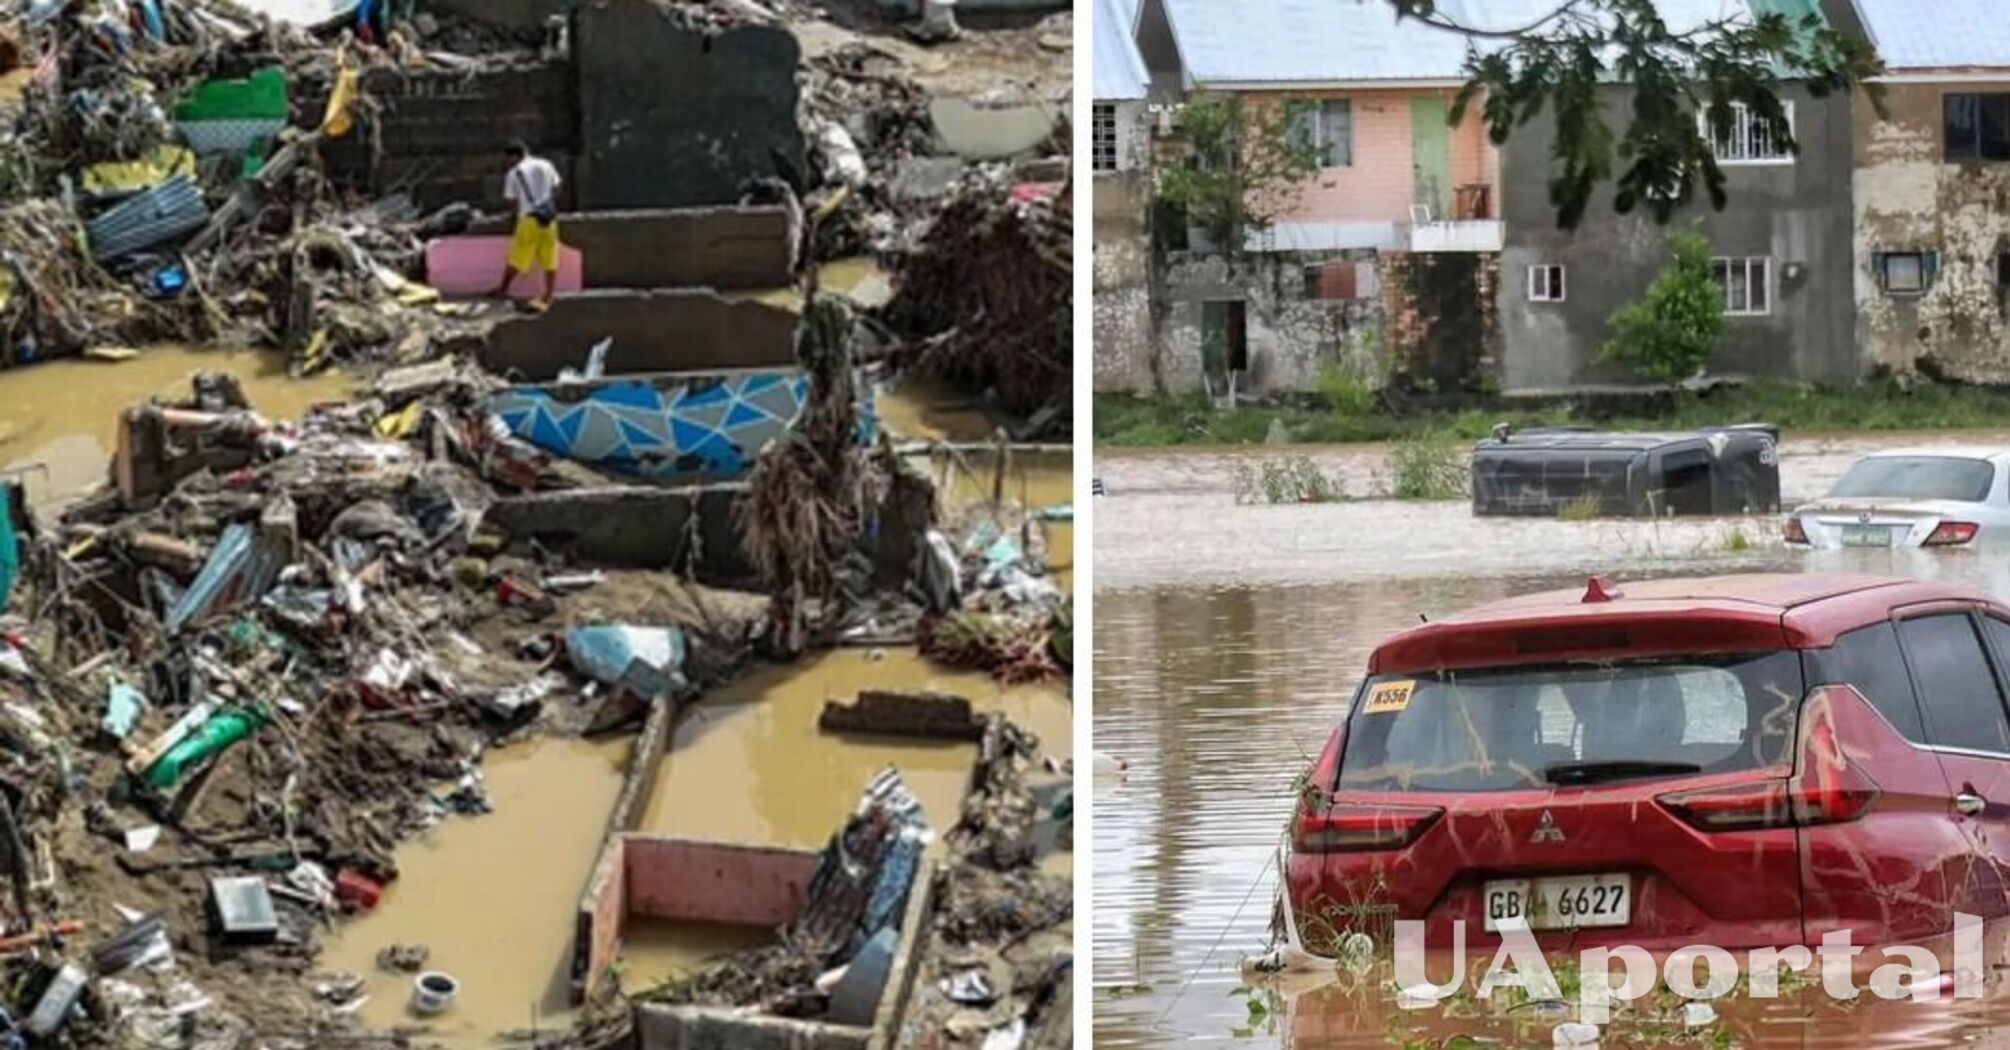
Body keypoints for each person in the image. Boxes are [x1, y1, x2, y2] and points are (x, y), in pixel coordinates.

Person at [498, 141, 564, 310]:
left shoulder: (514, 173)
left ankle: (503, 289)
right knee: (550, 259)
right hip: (548, 218)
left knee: (518, 257)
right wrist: (546, 203)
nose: (508, 163)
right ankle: (548, 295)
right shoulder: (546, 165)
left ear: (515, 156)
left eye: (508, 159)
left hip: (528, 219)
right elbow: (557, 187)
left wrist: (515, 216)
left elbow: (511, 200)